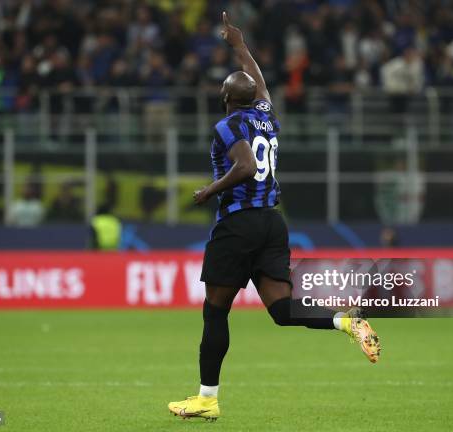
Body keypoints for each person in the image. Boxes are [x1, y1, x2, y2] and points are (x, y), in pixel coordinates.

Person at [167, 12, 381, 422]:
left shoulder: (228, 125)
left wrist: (208, 191)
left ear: (225, 99)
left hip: (238, 224)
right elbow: (259, 82)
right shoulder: (267, 115)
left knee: (215, 311)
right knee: (282, 311)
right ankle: (346, 322)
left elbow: (245, 166)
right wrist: (240, 46)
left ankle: (207, 399)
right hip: (272, 222)